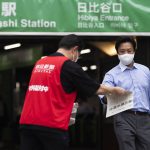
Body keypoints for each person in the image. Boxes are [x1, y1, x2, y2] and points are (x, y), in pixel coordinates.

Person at [19, 34, 126, 150]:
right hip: (51, 126)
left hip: (27, 123)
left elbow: (46, 91)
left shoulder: (40, 63)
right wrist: (114, 90)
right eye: (79, 54)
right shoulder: (68, 65)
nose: (77, 58)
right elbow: (95, 88)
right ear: (75, 50)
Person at [101, 36, 150, 150]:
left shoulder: (145, 71)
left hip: (145, 118)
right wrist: (111, 94)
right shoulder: (111, 74)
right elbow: (102, 96)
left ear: (134, 51)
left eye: (129, 51)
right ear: (117, 53)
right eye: (122, 51)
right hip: (124, 117)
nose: (126, 54)